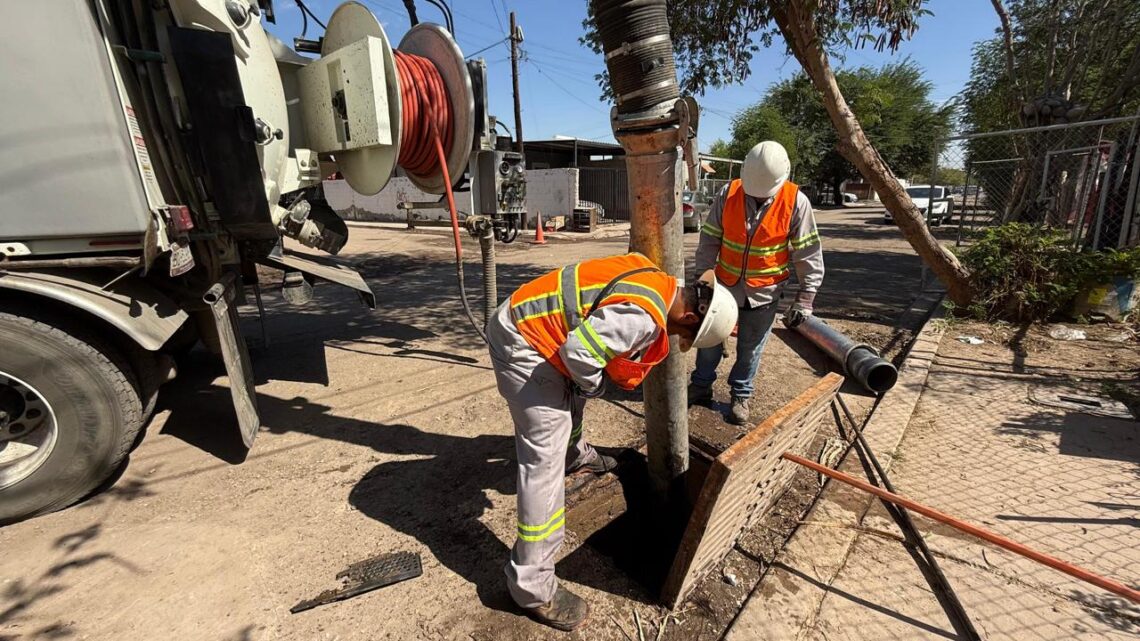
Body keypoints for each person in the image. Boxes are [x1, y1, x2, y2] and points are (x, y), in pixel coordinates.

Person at [486, 252, 737, 631]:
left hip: (534, 323)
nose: (678, 338)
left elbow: (582, 337)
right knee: (543, 464)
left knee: (574, 391)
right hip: (524, 342)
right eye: (684, 335)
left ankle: (575, 454)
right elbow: (578, 354)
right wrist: (596, 384)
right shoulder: (643, 317)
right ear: (688, 318)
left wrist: (582, 381)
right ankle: (532, 586)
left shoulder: (656, 278)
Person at [688, 141, 825, 425]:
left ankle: (741, 395)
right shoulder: (729, 193)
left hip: (763, 293)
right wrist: (703, 278)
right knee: (709, 341)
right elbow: (710, 238)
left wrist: (806, 297)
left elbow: (808, 252)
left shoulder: (796, 201)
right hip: (723, 288)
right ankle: (701, 386)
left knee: (750, 348)